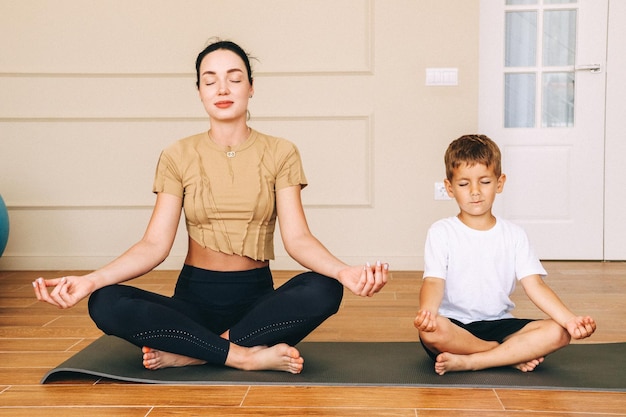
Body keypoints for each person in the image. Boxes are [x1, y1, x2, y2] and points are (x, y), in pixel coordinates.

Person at [33, 39, 389, 374]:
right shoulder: (178, 154)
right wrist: (90, 281)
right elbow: (154, 245)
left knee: (324, 288)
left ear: (251, 87)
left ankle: (194, 352)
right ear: (200, 92)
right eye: (210, 81)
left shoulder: (282, 152)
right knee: (104, 301)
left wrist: (343, 271)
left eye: (234, 79)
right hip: (193, 303)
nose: (222, 89)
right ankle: (244, 357)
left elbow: (297, 239)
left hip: (257, 307)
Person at [414, 134, 596, 375]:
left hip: (500, 323)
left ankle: (474, 361)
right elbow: (434, 281)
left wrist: (570, 320)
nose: (475, 192)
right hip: (455, 326)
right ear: (449, 188)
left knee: (559, 332)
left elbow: (535, 286)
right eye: (464, 184)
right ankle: (506, 354)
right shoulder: (441, 231)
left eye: (485, 182)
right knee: (431, 331)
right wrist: (427, 312)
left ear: (500, 183)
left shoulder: (514, 234)